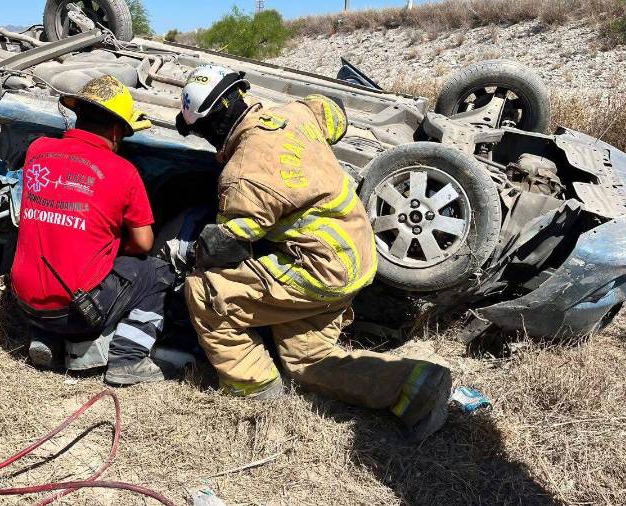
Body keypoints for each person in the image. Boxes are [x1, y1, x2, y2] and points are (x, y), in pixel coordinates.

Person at [175, 65, 453, 441]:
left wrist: (188, 250)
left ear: (211, 125)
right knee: (307, 361)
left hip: (318, 269)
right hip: (358, 253)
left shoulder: (243, 174)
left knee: (206, 293)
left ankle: (254, 389)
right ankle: (417, 385)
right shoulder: (292, 113)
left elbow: (227, 245)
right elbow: (334, 111)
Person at [10, 75, 175, 386]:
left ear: (78, 114)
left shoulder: (38, 150)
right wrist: (112, 247)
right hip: (74, 312)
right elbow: (143, 242)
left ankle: (45, 337)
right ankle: (129, 358)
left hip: (26, 303)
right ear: (116, 130)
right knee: (156, 271)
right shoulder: (123, 172)